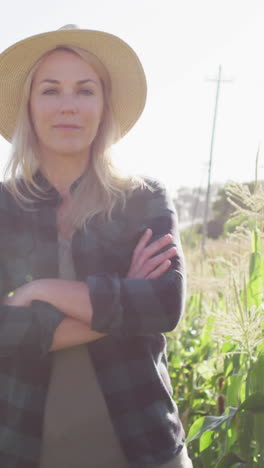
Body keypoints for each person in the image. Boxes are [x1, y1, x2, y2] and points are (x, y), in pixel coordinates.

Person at [0, 25, 192, 468]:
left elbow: (164, 305)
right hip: (24, 450)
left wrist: (39, 291)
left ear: (104, 106)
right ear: (29, 106)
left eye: (85, 90)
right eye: (51, 90)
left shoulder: (143, 199)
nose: (68, 105)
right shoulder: (4, 207)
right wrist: (122, 300)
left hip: (146, 448)